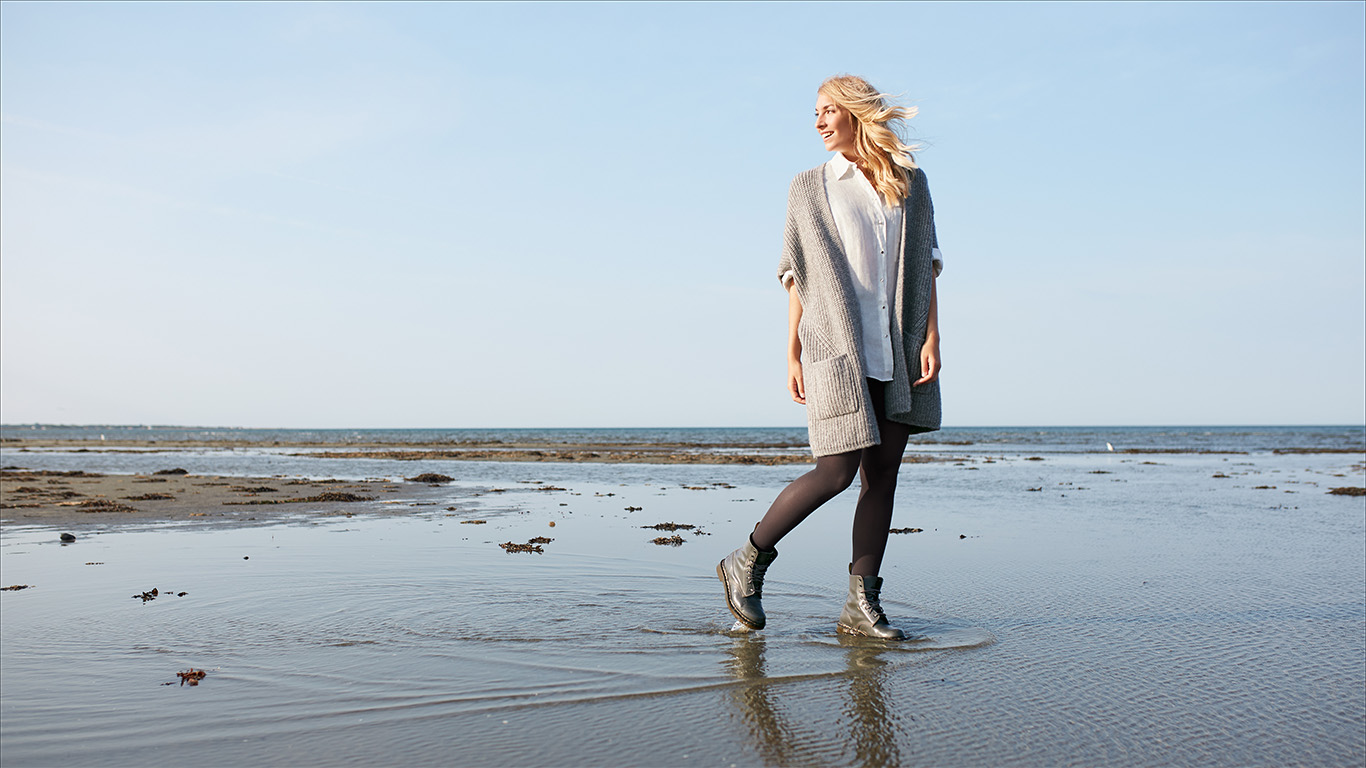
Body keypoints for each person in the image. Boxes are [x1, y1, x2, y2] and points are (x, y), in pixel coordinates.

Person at [718, 75, 944, 640]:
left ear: (856, 114)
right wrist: (791, 349)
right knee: (836, 470)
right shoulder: (809, 186)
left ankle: (861, 605)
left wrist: (932, 337)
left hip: (896, 345)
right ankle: (746, 559)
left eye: (827, 111)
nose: (818, 122)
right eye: (815, 113)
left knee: (882, 475)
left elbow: (929, 266)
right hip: (834, 347)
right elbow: (796, 275)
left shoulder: (910, 185)